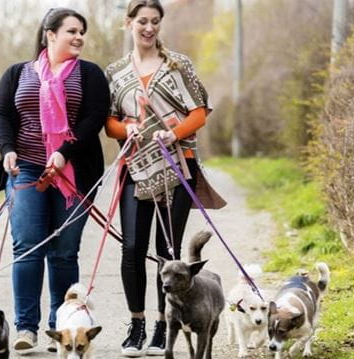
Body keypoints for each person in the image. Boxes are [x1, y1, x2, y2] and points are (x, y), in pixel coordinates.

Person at [104, 0, 226, 356]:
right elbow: (109, 121)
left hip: (177, 164)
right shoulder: (115, 72)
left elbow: (200, 110)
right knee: (132, 248)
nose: (149, 28)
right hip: (136, 167)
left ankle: (163, 325)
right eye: (142, 21)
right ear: (129, 23)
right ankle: (137, 325)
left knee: (166, 252)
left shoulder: (178, 64)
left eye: (155, 21)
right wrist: (127, 128)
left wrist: (173, 134)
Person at [0, 7, 110, 354]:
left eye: (81, 32)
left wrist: (63, 153)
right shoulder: (18, 73)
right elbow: (1, 115)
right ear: (50, 34)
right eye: (72, 31)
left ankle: (63, 327)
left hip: (73, 171)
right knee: (27, 245)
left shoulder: (89, 74)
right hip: (26, 168)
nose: (79, 38)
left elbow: (94, 118)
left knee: (63, 252)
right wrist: (7, 149)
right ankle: (27, 327)